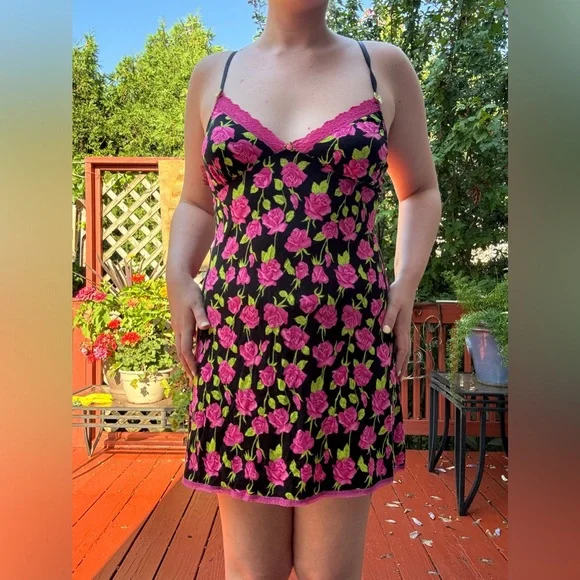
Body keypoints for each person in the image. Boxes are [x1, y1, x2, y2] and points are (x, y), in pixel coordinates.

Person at [166, 0, 441, 577]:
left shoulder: (383, 67)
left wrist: (406, 284)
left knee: (330, 573)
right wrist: (177, 273)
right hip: (240, 353)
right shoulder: (212, 75)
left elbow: (419, 190)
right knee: (252, 571)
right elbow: (197, 202)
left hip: (348, 352)